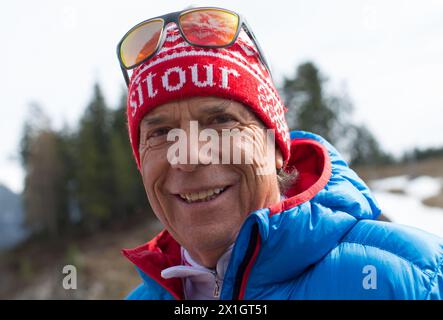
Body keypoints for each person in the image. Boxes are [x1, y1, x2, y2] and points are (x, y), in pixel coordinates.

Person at [116, 7, 443, 300]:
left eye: (220, 121)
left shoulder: (413, 281)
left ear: (275, 147)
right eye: (160, 133)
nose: (188, 157)